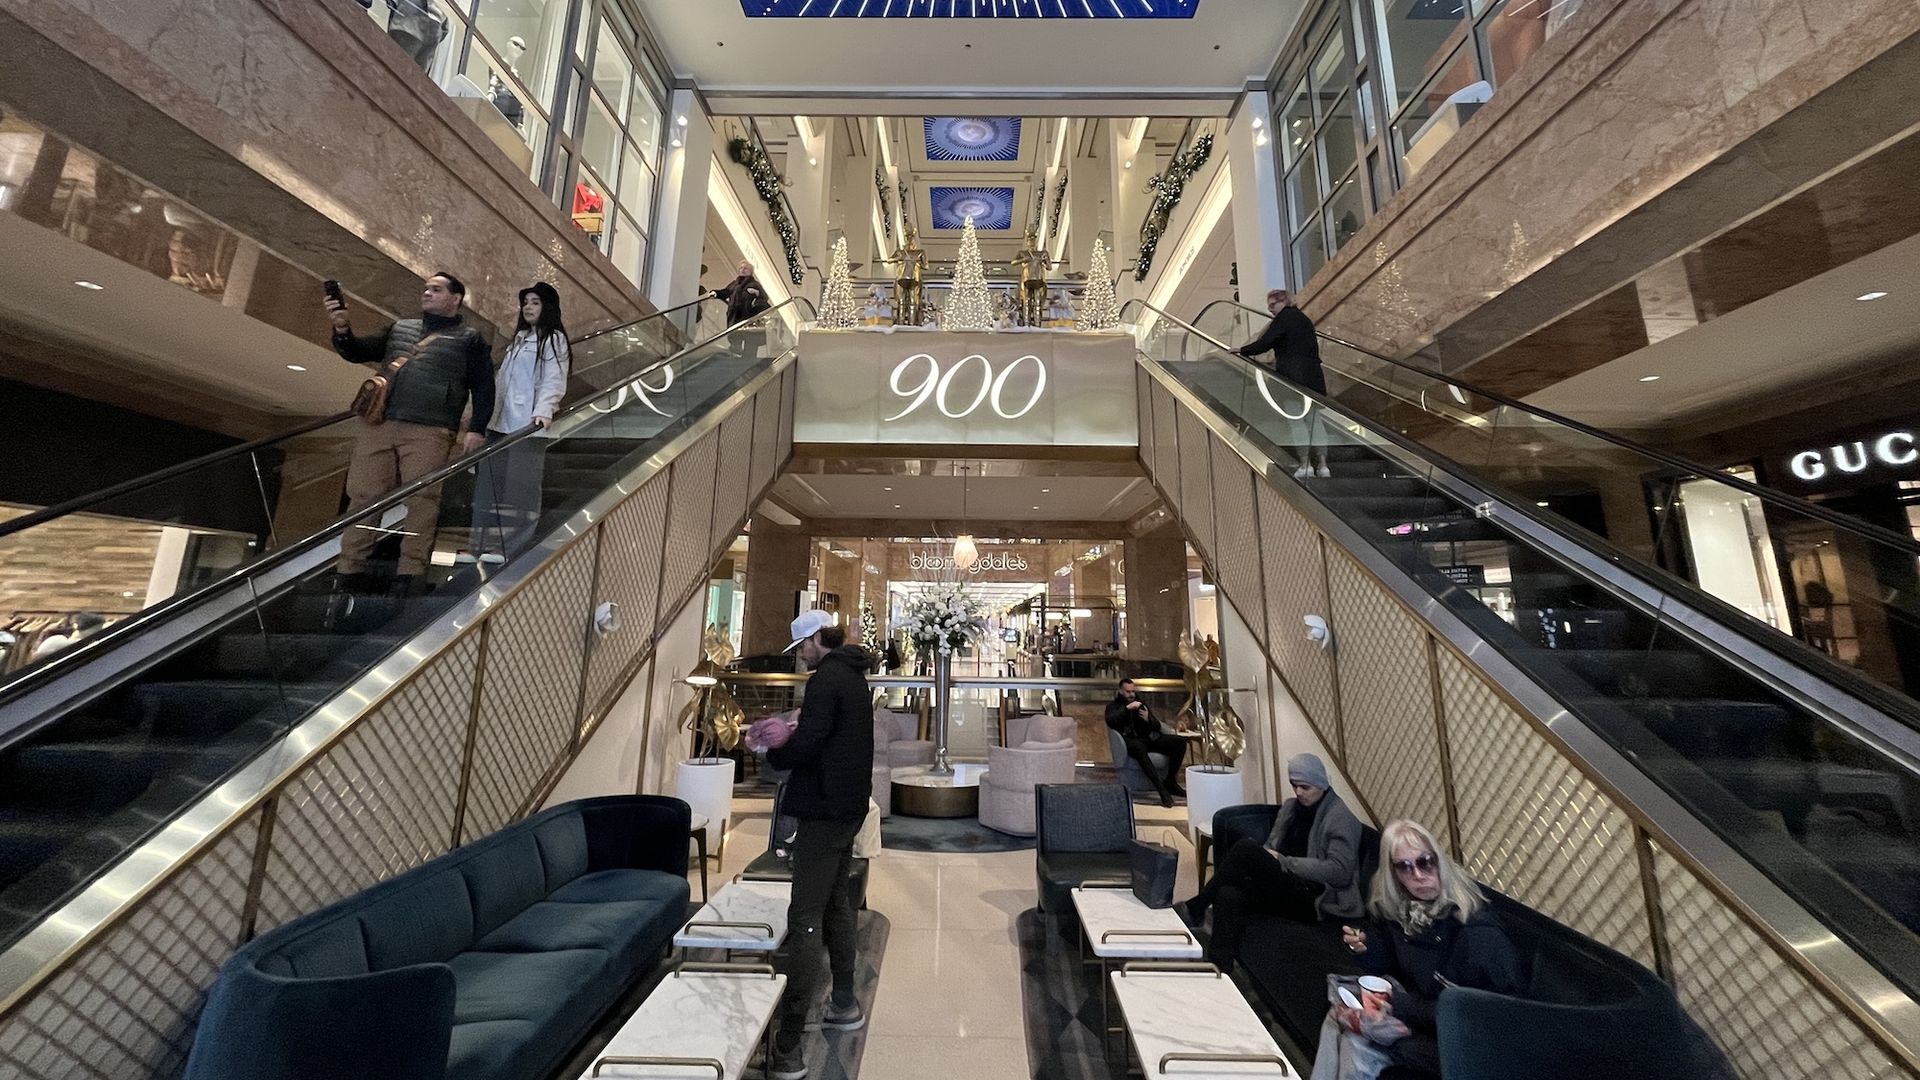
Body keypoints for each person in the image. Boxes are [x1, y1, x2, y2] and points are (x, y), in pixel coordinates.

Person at [325, 272, 493, 610]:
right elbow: (360, 351)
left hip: (430, 429)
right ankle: (347, 574)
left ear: (456, 298)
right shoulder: (399, 328)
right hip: (380, 422)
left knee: (422, 500)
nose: (427, 293)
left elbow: (484, 385)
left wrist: (476, 427)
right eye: (426, 288)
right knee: (363, 497)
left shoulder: (470, 338)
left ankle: (409, 575)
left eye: (436, 289)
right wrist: (342, 329)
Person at [1312, 820, 1522, 1080]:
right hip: (1422, 1012)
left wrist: (1399, 1007)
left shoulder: (1476, 934)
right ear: (1394, 874)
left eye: (1425, 862)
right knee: (1340, 1014)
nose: (1418, 875)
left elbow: (1484, 1017)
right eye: (1404, 867)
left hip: (1464, 1038)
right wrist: (1366, 948)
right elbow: (1391, 963)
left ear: (1439, 861)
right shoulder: (1406, 911)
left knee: (1358, 1039)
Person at [760, 610, 876, 1079]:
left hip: (824, 810)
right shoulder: (851, 676)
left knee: (804, 915)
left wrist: (773, 749)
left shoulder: (827, 680)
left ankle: (788, 1043)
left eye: (801, 648)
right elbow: (828, 736)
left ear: (814, 640)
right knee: (835, 904)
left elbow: (808, 744)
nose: (800, 657)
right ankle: (844, 1001)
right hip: (847, 807)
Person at [1174, 753, 1364, 970]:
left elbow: (1340, 871)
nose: (1298, 792)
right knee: (1228, 893)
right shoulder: (1291, 808)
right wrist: (1262, 865)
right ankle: (1219, 970)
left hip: (1314, 897)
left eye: (1305, 787)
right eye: (1294, 786)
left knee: (1246, 847)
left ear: (1320, 784)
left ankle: (1197, 906)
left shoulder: (1340, 818)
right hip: (1284, 884)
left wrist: (1285, 862)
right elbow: (1270, 846)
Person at [461, 282, 570, 565]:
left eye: (535, 302)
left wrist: (545, 409)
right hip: (500, 422)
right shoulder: (519, 338)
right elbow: (502, 381)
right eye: (526, 302)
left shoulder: (553, 339)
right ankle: (478, 545)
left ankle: (512, 548)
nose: (528, 307)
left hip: (528, 425)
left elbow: (554, 378)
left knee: (520, 490)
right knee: (487, 488)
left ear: (548, 306)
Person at [1236, 288, 1330, 479]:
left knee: (1296, 421)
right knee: (1314, 422)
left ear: (1284, 301)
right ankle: (1323, 465)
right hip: (1313, 377)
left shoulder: (1284, 318)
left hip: (1293, 378)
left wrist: (1241, 349)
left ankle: (1305, 465)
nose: (1270, 310)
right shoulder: (1304, 319)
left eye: (1273, 305)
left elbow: (1266, 342)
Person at [1105, 677, 1188, 807]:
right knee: (1139, 748)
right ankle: (1161, 789)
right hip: (1131, 742)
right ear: (1121, 691)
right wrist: (1127, 709)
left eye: (1133, 691)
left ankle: (1170, 781)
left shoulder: (1141, 704)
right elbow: (1111, 720)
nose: (1131, 694)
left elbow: (1156, 725)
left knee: (1180, 743)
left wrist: (1148, 719)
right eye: (1128, 692)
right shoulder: (1114, 706)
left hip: (1148, 739)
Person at [711, 260, 771, 358]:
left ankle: (748, 360)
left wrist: (757, 293)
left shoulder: (754, 284)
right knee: (735, 336)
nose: (742, 270)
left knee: (750, 341)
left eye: (745, 268)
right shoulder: (735, 284)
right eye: (741, 268)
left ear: (751, 272)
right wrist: (716, 293)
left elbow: (764, 297)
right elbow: (726, 292)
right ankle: (737, 352)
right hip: (735, 315)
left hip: (749, 316)